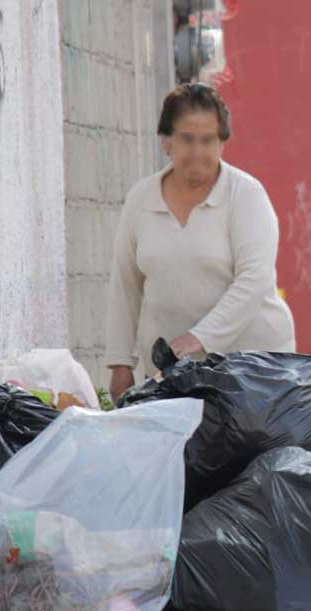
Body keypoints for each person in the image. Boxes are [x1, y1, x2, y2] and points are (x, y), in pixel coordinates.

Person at [105, 83, 295, 401]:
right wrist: (120, 363)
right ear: (166, 142)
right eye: (187, 139)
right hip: (174, 376)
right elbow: (126, 285)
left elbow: (254, 281)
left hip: (254, 372)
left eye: (208, 140)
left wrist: (200, 337)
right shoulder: (141, 199)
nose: (197, 152)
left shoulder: (245, 196)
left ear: (222, 143)